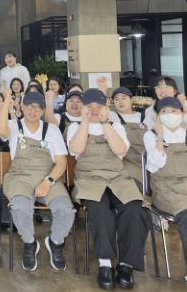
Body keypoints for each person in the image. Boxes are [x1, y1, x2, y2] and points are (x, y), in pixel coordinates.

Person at [67, 89, 148, 290]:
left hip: (117, 179)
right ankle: (105, 264)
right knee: (100, 211)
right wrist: (85, 122)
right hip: (89, 181)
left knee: (135, 209)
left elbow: (120, 150)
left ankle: (126, 264)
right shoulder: (75, 127)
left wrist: (105, 123)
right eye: (89, 106)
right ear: (83, 108)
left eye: (99, 106)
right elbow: (76, 149)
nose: (94, 110)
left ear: (106, 107)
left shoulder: (116, 126)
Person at [0, 91, 74, 272]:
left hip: (48, 176)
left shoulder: (52, 130)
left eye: (38, 107)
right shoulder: (14, 126)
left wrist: (48, 181)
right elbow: (0, 130)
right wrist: (7, 101)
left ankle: (55, 242)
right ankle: (30, 243)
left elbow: (61, 162)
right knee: (21, 207)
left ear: (43, 110)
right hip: (19, 177)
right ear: (22, 107)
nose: (33, 110)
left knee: (65, 209)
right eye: (29, 106)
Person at [144, 96, 187, 282]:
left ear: (182, 113)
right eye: (164, 111)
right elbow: (155, 165)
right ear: (158, 116)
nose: (169, 115)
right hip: (166, 189)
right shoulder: (151, 136)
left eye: (174, 111)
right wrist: (160, 137)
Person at [108, 87, 145, 187]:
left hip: (145, 159)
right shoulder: (113, 117)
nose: (120, 101)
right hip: (126, 161)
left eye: (124, 98)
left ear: (131, 100)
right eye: (116, 99)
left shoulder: (144, 116)